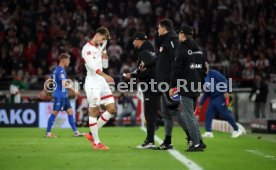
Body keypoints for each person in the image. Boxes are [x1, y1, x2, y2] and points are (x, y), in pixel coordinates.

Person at [169, 25, 207, 151]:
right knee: (192, 115)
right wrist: (200, 82)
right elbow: (204, 69)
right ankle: (200, 141)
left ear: (183, 34)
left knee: (188, 116)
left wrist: (173, 85)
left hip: (186, 86)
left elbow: (177, 69)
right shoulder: (200, 49)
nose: (178, 36)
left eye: (179, 34)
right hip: (197, 85)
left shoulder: (182, 48)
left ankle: (195, 144)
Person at [82, 27, 116, 150]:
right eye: (102, 39)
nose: (103, 42)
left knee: (112, 109)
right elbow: (92, 67)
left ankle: (91, 134)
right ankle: (96, 143)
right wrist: (106, 76)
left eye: (104, 40)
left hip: (101, 82)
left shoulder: (99, 47)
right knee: (94, 111)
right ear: (97, 35)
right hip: (92, 82)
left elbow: (105, 65)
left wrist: (104, 51)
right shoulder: (86, 49)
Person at [125, 32, 160, 149]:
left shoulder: (144, 53)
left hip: (150, 86)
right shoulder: (149, 51)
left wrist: (134, 75)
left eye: (134, 40)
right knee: (151, 113)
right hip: (153, 85)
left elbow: (147, 67)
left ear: (138, 40)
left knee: (149, 114)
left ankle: (150, 141)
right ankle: (150, 139)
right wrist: (134, 73)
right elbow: (144, 67)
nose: (133, 43)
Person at [40, 53, 85, 138]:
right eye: (68, 60)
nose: (69, 61)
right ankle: (48, 133)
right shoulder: (61, 70)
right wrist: (74, 90)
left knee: (70, 111)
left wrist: (44, 91)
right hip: (60, 96)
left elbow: (49, 80)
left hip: (64, 96)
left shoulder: (56, 70)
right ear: (63, 60)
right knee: (55, 113)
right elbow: (64, 83)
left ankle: (76, 132)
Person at [198, 62, 243, 138]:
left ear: (208, 67)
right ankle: (208, 132)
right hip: (212, 99)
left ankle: (237, 130)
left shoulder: (213, 73)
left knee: (225, 114)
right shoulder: (203, 77)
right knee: (208, 114)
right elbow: (206, 92)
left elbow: (224, 80)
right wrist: (201, 103)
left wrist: (226, 91)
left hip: (220, 96)